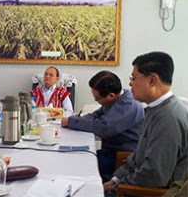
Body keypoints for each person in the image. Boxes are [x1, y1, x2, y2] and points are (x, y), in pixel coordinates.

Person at [104, 52, 188, 196]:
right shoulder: (155, 109)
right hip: (134, 183)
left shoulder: (168, 117)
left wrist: (118, 186)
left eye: (134, 78)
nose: (130, 83)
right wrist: (116, 178)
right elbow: (139, 157)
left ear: (152, 80)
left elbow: (154, 176)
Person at [61, 71, 144, 182]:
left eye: (97, 98)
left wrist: (72, 122)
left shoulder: (128, 105)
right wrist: (78, 119)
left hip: (121, 157)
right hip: (109, 151)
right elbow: (96, 115)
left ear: (111, 96)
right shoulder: (114, 100)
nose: (97, 101)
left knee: (78, 165)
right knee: (74, 157)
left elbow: (102, 127)